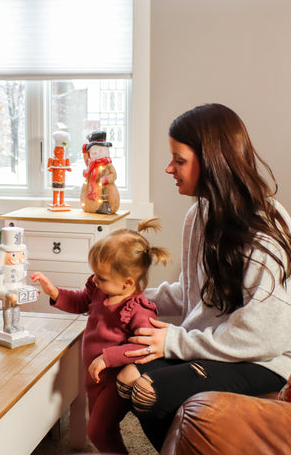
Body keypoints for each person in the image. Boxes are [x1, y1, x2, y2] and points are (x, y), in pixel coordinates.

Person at [116, 103, 291, 452]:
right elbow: (192, 292)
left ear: (211, 160)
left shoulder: (263, 227)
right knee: (127, 375)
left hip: (262, 360)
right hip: (214, 347)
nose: (169, 168)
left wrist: (175, 342)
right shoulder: (200, 213)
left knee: (151, 391)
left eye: (179, 160)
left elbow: (265, 334)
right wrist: (132, 299)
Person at [31, 219, 170, 454]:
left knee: (97, 430)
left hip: (116, 380)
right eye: (95, 274)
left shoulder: (138, 310)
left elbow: (144, 347)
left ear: (127, 283)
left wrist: (107, 358)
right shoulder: (98, 290)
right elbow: (78, 301)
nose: (95, 280)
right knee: (102, 430)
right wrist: (54, 292)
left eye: (102, 277)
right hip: (94, 376)